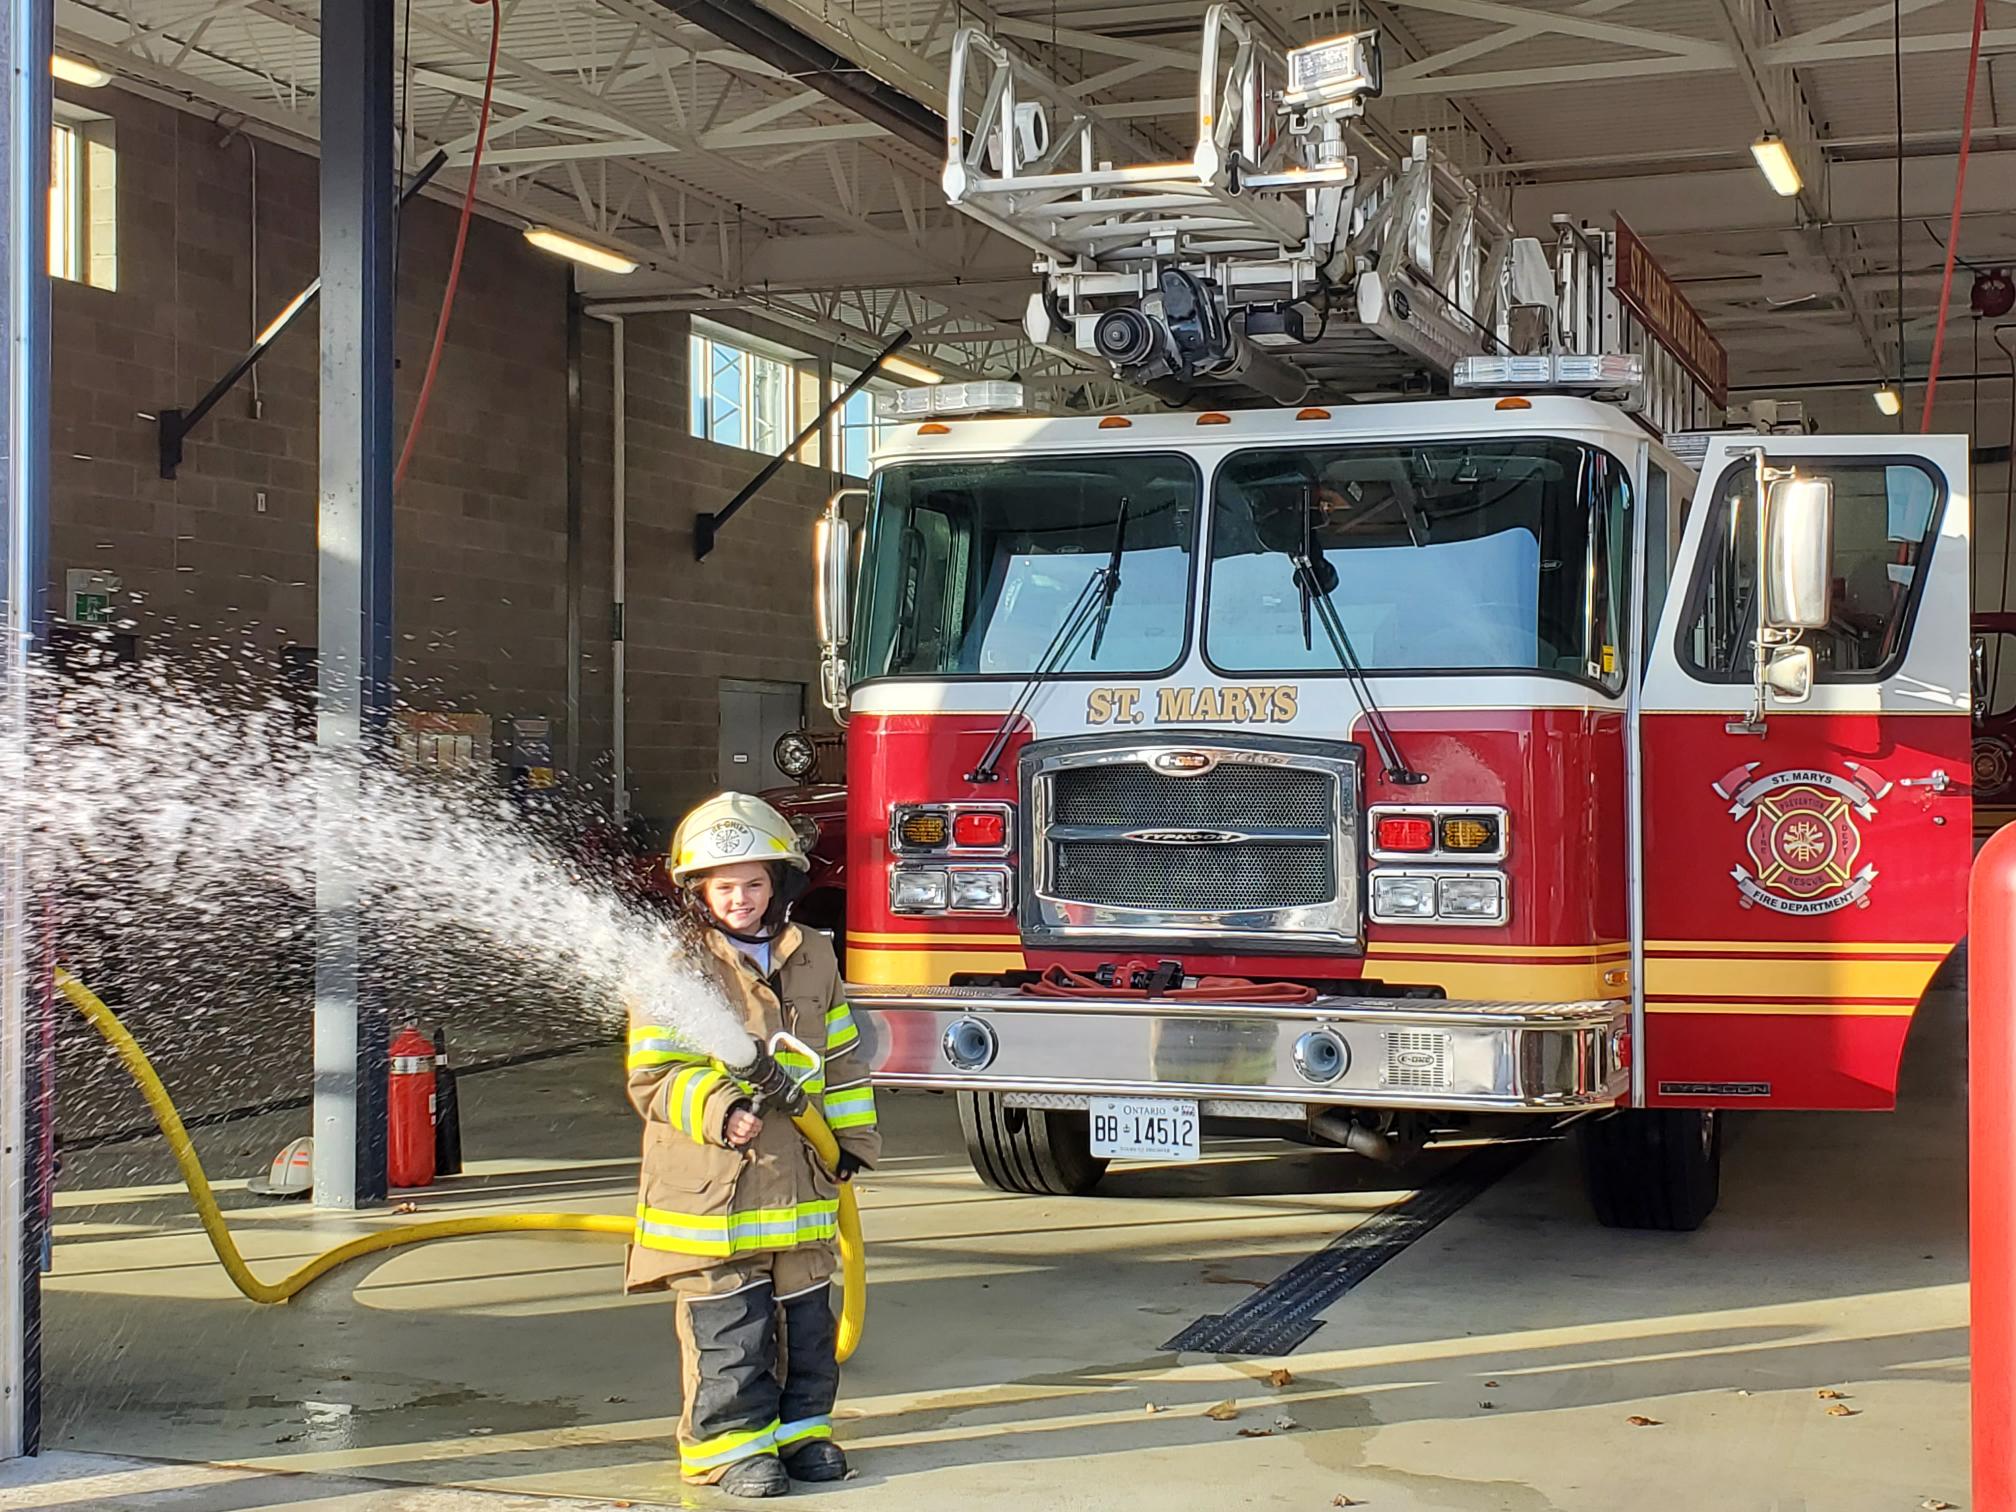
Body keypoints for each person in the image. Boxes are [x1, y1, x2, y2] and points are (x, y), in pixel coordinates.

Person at [624, 792, 880, 1498]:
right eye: (724, 885)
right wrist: (721, 1109)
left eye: (754, 882)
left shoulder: (815, 955)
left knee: (807, 1322)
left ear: (781, 884)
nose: (740, 898)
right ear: (698, 891)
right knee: (729, 1325)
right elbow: (653, 1075)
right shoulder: (672, 966)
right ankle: (727, 1449)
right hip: (715, 1191)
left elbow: (845, 1061)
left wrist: (852, 1140)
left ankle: (802, 1436)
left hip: (801, 1180)